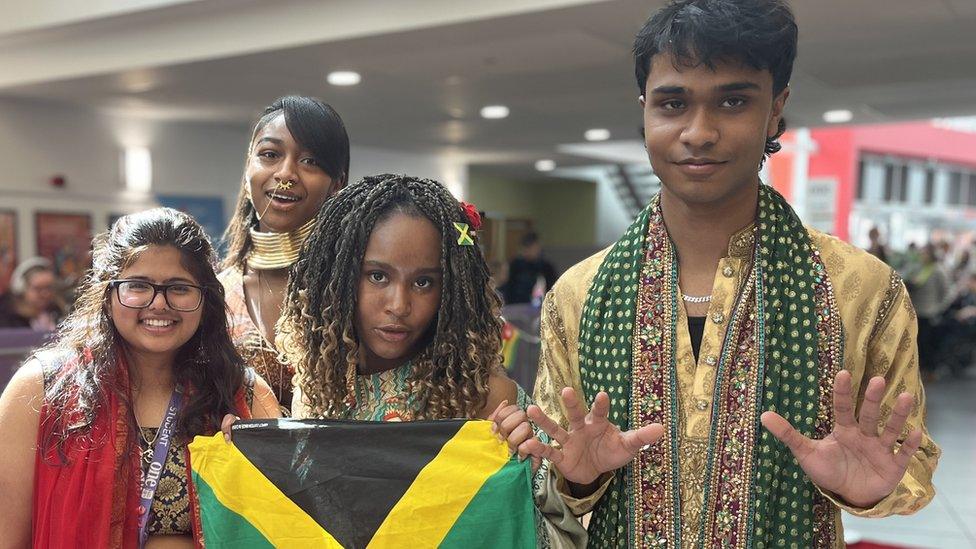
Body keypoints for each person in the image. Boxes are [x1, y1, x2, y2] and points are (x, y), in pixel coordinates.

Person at [502, 1, 939, 546]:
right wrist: (575, 475)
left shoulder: (864, 290)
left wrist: (866, 489)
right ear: (644, 109)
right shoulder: (580, 295)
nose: (699, 132)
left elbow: (912, 464)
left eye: (733, 101)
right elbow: (553, 470)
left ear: (776, 108)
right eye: (673, 103)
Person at [268, 174, 586, 546]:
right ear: (336, 279)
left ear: (451, 290)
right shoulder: (316, 390)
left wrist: (531, 472)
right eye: (377, 276)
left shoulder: (485, 396)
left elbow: (555, 526)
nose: (399, 305)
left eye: (423, 283)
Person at [0, 208, 280, 548]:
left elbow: (277, 531)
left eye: (179, 288)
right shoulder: (42, 389)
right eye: (138, 286)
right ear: (107, 292)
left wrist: (247, 471)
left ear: (205, 298)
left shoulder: (245, 396)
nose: (159, 304)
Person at [220, 95, 350, 413]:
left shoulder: (358, 286)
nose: (286, 173)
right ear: (248, 166)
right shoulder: (215, 293)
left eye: (310, 161)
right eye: (270, 154)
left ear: (337, 183)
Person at [906, 243, 949, 378]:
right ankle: (918, 368)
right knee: (917, 341)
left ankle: (929, 370)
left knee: (927, 343)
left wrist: (938, 308)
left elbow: (946, 292)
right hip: (916, 310)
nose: (922, 256)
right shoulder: (918, 268)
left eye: (925, 253)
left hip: (929, 312)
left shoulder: (937, 270)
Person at [0, 257, 64, 330]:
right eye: (38, 289)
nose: (45, 294)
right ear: (21, 288)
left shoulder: (57, 312)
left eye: (49, 287)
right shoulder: (6, 319)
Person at [503, 232, 557, 305]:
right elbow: (508, 286)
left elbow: (553, 288)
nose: (529, 251)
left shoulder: (546, 266)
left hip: (538, 305)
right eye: (526, 248)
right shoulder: (516, 265)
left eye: (532, 248)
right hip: (516, 304)